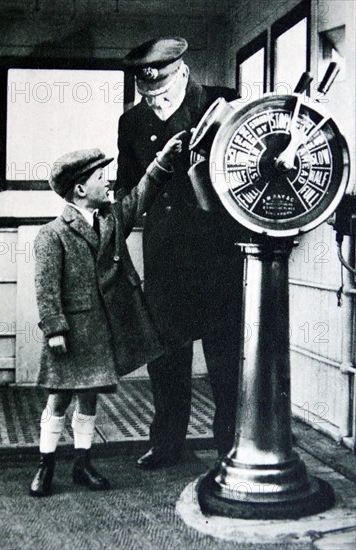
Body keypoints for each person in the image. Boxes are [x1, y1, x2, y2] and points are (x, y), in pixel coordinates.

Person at [116, 37, 249, 469]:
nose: (154, 100)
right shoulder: (131, 122)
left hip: (219, 254)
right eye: (147, 93)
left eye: (162, 92)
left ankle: (231, 444)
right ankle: (168, 442)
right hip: (165, 255)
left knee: (225, 357)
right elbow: (128, 185)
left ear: (182, 71)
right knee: (167, 358)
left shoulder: (223, 102)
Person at [29, 134, 184, 497]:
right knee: (59, 399)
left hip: (102, 330)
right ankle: (45, 466)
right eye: (101, 177)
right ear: (81, 189)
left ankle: (83, 464)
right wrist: (54, 328)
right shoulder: (52, 234)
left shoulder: (111, 219)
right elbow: (45, 286)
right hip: (71, 332)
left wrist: (161, 160)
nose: (108, 181)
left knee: (89, 398)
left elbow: (141, 195)